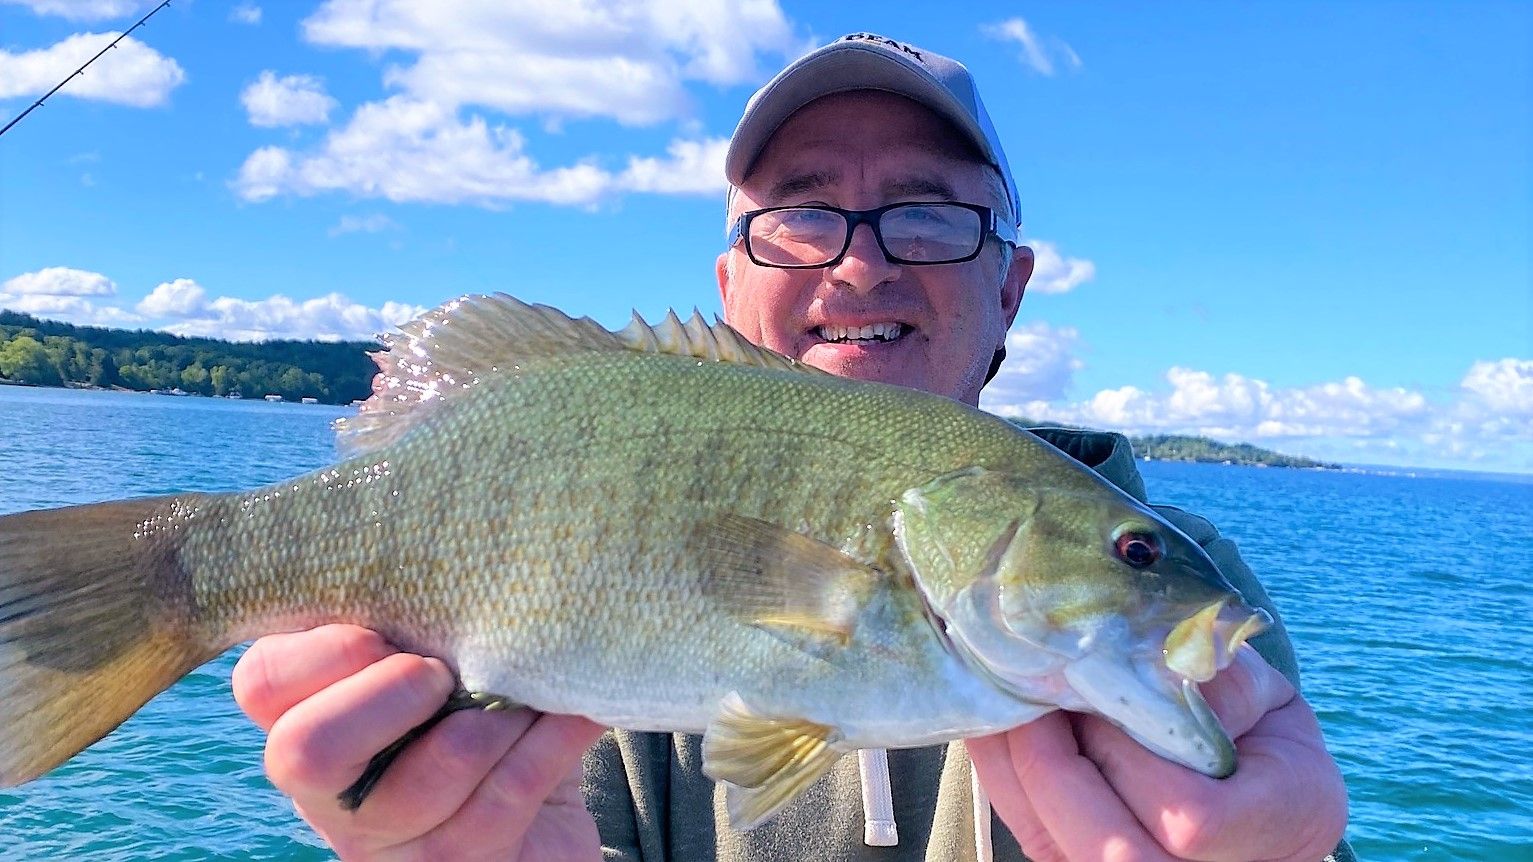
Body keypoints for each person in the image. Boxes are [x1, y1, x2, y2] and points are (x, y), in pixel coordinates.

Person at [232, 33, 1352, 862]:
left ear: (1011, 288)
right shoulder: (580, 689)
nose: (858, 266)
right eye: (802, 217)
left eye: (926, 215)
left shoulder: (1198, 585)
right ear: (728, 285)